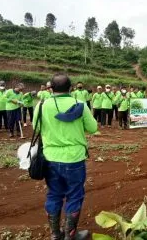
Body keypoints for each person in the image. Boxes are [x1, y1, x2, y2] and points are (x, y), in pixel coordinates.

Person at [33, 74, 97, 240]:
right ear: (71, 88)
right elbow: (92, 127)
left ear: (51, 89)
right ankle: (70, 235)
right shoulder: (80, 105)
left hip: (50, 158)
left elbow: (36, 127)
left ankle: (55, 234)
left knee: (54, 194)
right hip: (74, 158)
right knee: (74, 195)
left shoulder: (42, 105)